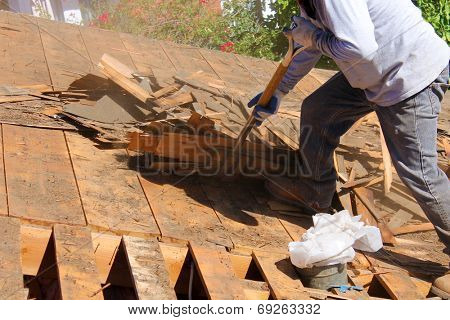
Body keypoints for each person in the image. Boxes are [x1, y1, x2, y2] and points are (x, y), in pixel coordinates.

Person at [248, 0, 450, 297]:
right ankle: (314, 193)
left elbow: (358, 50)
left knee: (419, 171)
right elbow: (309, 46)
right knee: (319, 110)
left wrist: (312, 37)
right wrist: (278, 90)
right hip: (375, 68)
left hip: (409, 71)